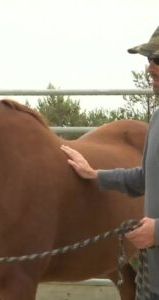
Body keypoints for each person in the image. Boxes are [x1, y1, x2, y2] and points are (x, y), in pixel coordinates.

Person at [61, 26, 159, 300]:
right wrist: (95, 175)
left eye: (158, 61)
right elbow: (144, 178)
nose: (150, 69)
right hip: (151, 283)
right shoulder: (157, 119)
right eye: (149, 60)